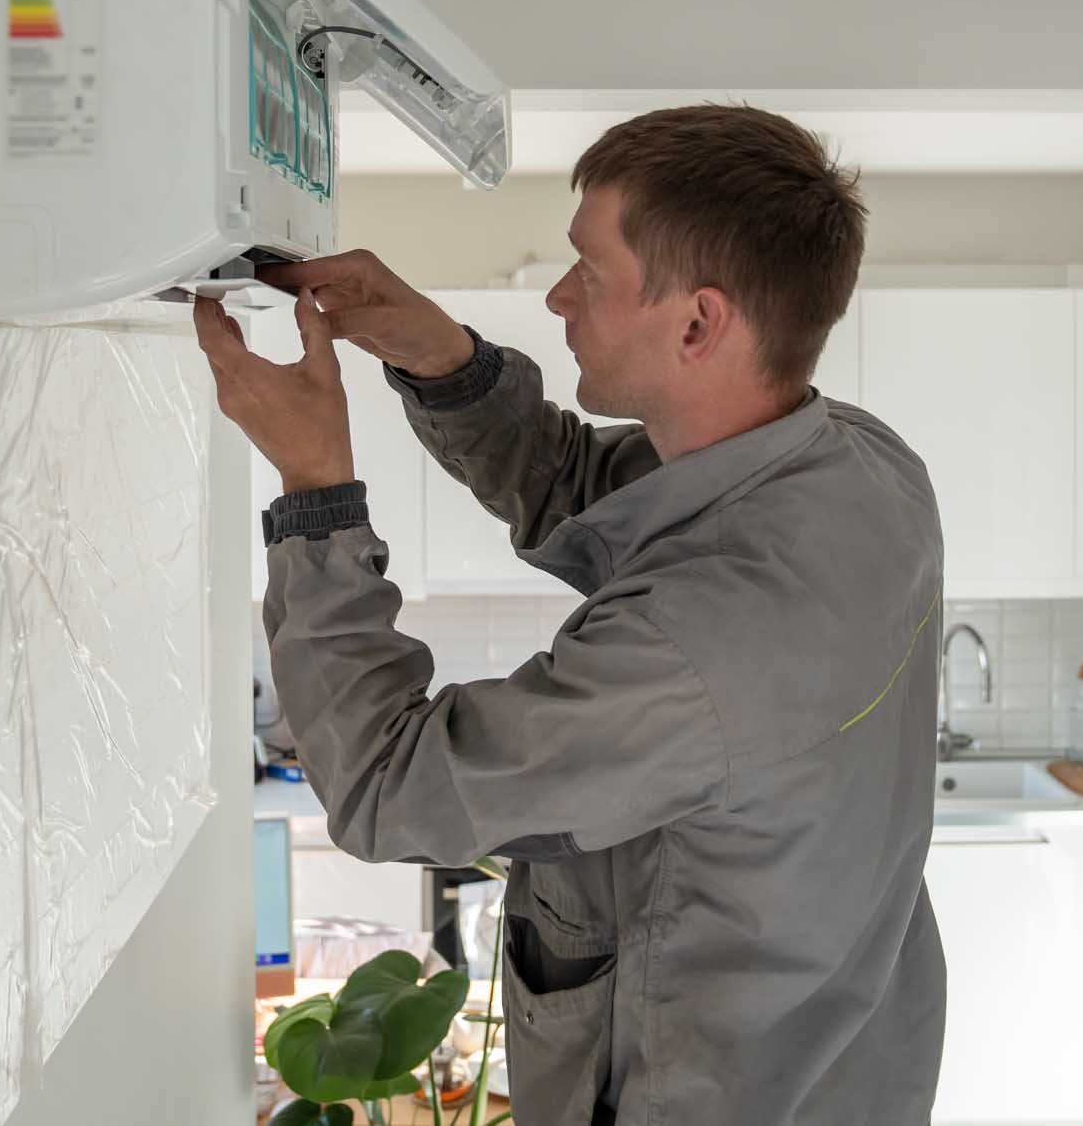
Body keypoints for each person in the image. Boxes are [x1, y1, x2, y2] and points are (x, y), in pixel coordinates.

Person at [194, 104, 946, 1125]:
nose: (554, 298)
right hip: (841, 1068)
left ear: (697, 322)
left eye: (586, 275)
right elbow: (586, 489)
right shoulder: (859, 466)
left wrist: (315, 489)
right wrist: (441, 360)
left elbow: (388, 787)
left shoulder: (704, 651)